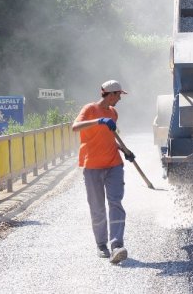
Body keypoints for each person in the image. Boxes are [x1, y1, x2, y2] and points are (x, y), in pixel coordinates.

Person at [72, 80, 135, 264]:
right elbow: (75, 127)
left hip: (114, 164)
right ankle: (101, 245)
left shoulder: (113, 113)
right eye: (118, 95)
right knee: (97, 208)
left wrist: (125, 151)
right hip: (92, 166)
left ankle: (117, 245)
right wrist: (99, 121)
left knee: (115, 203)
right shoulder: (90, 109)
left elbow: (108, 138)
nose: (120, 99)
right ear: (110, 94)